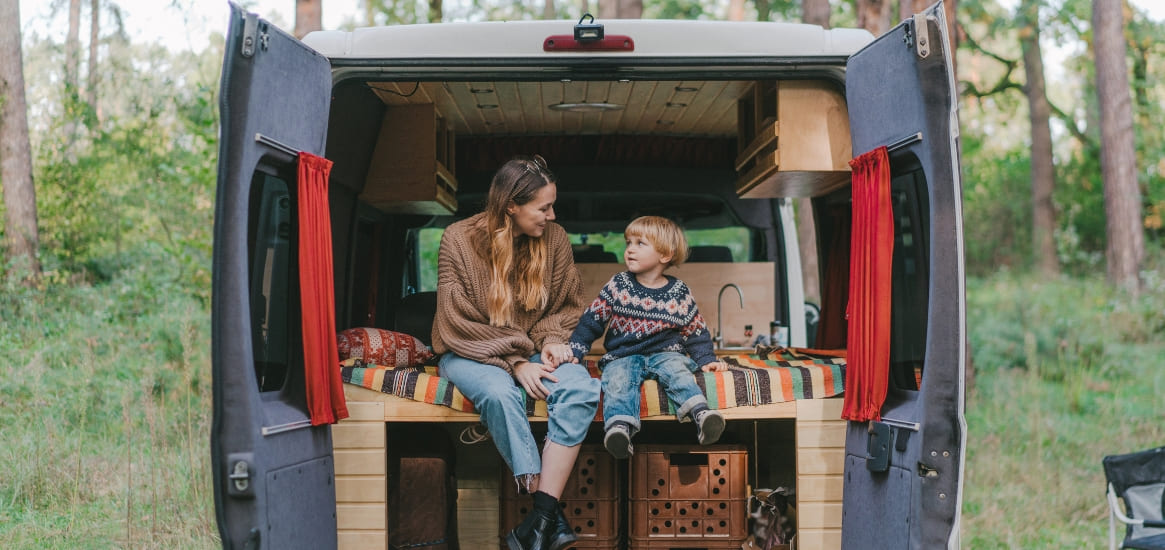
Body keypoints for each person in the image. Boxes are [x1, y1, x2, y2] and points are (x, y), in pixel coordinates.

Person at [432, 154, 600, 550]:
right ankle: (548, 520)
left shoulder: (555, 240)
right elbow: (455, 322)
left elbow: (568, 305)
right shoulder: (456, 239)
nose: (552, 216)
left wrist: (553, 340)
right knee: (500, 392)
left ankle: (539, 521)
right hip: (469, 350)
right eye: (543, 207)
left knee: (581, 389)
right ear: (511, 205)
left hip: (534, 348)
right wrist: (516, 362)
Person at [567, 215, 729, 459]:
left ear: (664, 255)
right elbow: (592, 321)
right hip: (624, 354)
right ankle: (619, 429)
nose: (630, 249)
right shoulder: (618, 285)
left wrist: (706, 359)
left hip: (666, 354)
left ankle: (701, 414)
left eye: (640, 244)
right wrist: (576, 350)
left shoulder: (679, 291)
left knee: (678, 373)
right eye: (628, 243)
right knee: (618, 379)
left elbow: (695, 330)